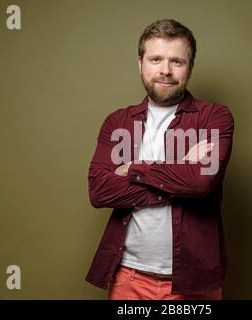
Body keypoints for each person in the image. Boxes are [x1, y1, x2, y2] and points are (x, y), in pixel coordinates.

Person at [85, 18, 235, 300]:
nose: (165, 70)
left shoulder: (214, 116)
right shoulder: (117, 122)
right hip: (128, 279)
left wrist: (132, 168)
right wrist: (179, 175)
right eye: (156, 59)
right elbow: (99, 191)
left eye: (176, 61)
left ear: (190, 68)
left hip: (194, 282)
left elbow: (202, 182)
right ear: (140, 63)